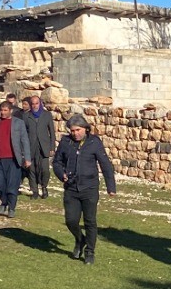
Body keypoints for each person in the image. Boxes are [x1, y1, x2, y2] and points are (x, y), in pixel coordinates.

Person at [52, 113, 116, 265]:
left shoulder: (94, 142)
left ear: (86, 129)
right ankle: (80, 240)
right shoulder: (65, 142)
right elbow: (56, 162)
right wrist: (62, 175)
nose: (75, 133)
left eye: (78, 130)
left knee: (90, 221)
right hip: (71, 188)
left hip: (90, 187)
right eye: (72, 131)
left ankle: (90, 252)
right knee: (71, 220)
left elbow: (105, 164)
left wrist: (111, 187)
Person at [0, 99, 31, 217]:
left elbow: (25, 141)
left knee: (12, 185)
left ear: (11, 111)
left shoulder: (19, 123)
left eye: (5, 110)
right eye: (1, 110)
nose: (2, 113)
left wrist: (27, 158)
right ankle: (4, 202)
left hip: (14, 159)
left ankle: (11, 208)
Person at [20, 94, 56, 199]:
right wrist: (23, 149)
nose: (35, 106)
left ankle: (44, 187)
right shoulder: (26, 116)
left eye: (37, 103)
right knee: (31, 169)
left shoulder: (47, 115)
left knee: (45, 169)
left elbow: (52, 132)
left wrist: (52, 147)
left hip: (44, 146)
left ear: (40, 103)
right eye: (33, 104)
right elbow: (24, 133)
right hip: (31, 147)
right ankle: (34, 190)